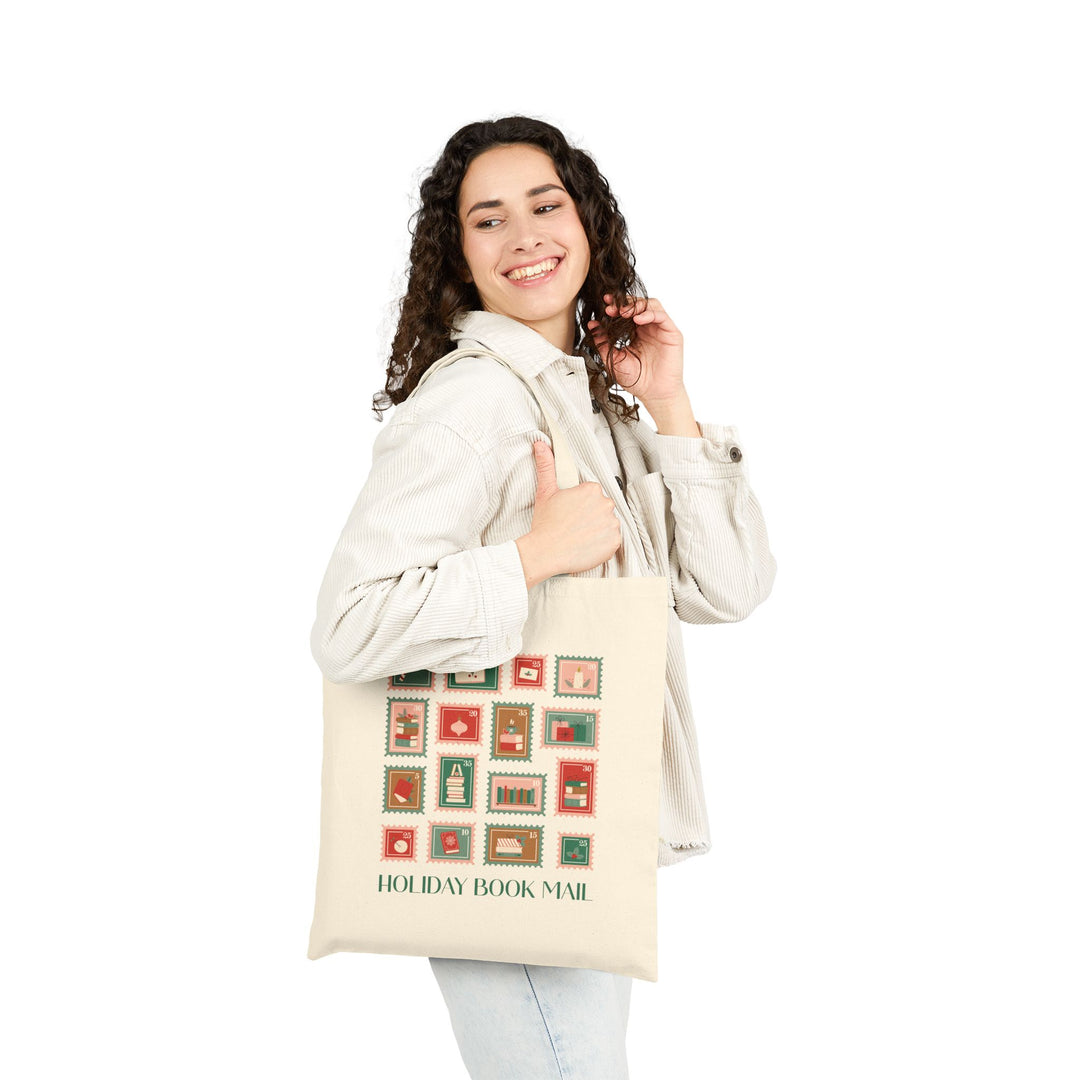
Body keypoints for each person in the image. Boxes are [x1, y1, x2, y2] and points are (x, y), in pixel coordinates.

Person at [310, 115, 777, 1079]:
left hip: (577, 826)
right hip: (503, 830)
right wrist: (530, 556)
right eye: (489, 219)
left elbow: (728, 590)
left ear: (589, 225)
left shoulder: (585, 403)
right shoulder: (473, 402)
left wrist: (672, 408)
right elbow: (349, 625)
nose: (524, 234)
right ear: (460, 259)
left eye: (545, 205)